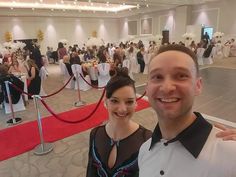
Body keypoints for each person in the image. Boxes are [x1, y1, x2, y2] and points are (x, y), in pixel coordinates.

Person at [138, 44, 236, 177]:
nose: (167, 88)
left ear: (198, 85)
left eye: (181, 75)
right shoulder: (144, 151)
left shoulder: (230, 156)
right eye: (157, 77)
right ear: (147, 88)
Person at [86, 67, 152, 177]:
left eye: (129, 102)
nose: (122, 109)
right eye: (115, 101)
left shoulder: (147, 139)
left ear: (136, 103)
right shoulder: (95, 134)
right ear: (106, 102)